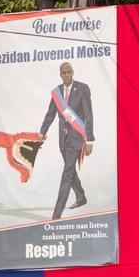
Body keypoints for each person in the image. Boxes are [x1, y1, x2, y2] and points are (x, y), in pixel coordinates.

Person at [39, 62, 94, 220]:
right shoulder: (56, 93)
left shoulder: (82, 88)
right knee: (70, 171)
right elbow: (50, 114)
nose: (67, 75)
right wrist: (42, 132)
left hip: (77, 138)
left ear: (73, 72)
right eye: (64, 73)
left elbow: (89, 115)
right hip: (62, 140)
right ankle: (81, 196)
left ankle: (56, 215)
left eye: (69, 72)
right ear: (60, 74)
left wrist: (89, 140)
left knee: (66, 174)